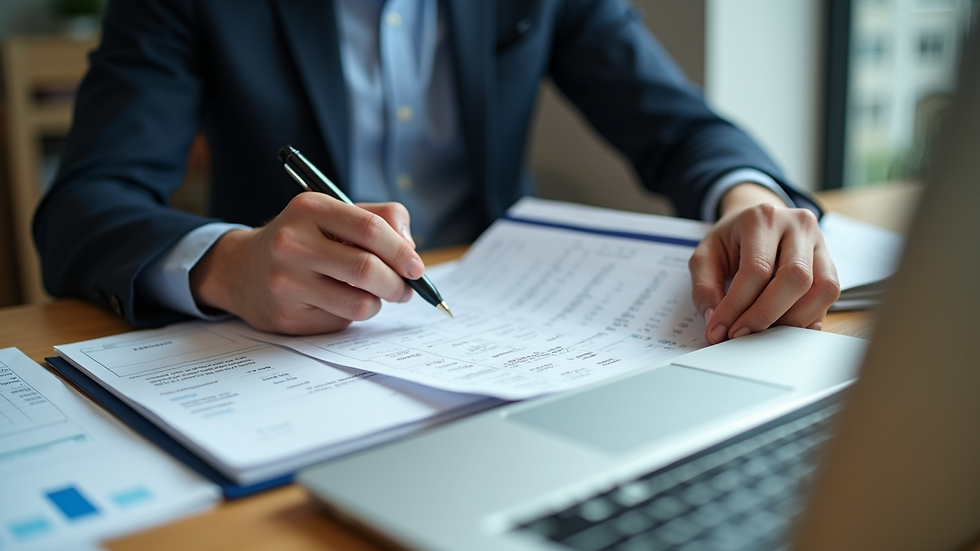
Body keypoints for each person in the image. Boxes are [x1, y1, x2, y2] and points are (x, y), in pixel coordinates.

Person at [33, 0, 839, 345]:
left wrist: (749, 196)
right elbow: (83, 205)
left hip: (508, 331)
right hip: (281, 341)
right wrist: (228, 262)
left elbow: (677, 122)